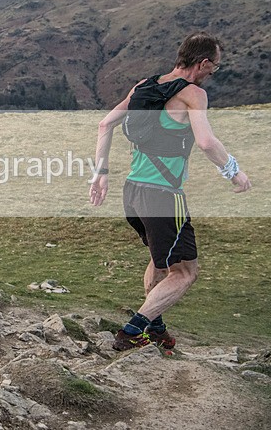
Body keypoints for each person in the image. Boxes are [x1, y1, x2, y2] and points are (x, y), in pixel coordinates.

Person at [89, 31, 251, 351]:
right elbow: (206, 142)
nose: (212, 74)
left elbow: (105, 124)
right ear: (203, 63)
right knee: (186, 271)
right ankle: (134, 330)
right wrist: (235, 173)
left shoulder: (144, 85)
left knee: (159, 260)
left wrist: (100, 175)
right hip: (163, 195)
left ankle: (156, 327)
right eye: (214, 68)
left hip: (132, 192)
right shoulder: (193, 94)